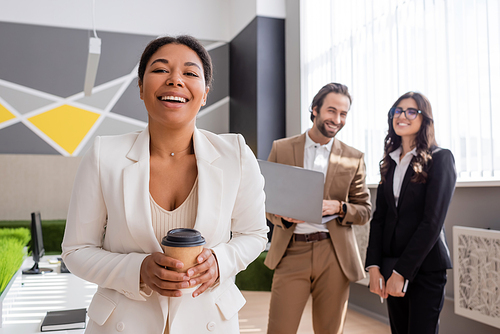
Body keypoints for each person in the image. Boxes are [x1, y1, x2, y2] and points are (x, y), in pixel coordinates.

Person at [61, 35, 268, 334]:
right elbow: (76, 250)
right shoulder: (104, 155)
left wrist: (221, 263)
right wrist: (138, 270)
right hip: (122, 323)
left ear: (205, 93)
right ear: (141, 88)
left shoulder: (235, 154)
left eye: (190, 73)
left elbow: (254, 234)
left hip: (210, 322)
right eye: (160, 70)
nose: (175, 80)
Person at [264, 83, 372, 334]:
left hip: (334, 254)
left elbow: (365, 210)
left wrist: (340, 207)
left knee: (330, 331)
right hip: (292, 251)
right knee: (279, 329)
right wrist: (283, 217)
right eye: (331, 111)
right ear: (315, 110)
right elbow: (266, 202)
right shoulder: (282, 148)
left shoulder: (353, 157)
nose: (337, 119)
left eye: (343, 114)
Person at [365, 92, 456, 334]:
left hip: (425, 268)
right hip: (391, 264)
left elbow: (432, 223)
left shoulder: (441, 159)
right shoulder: (390, 162)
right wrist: (374, 266)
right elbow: (380, 219)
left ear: (424, 119)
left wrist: (401, 272)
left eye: (411, 111)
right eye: (398, 110)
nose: (402, 116)